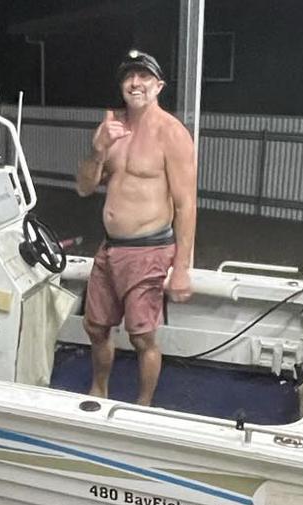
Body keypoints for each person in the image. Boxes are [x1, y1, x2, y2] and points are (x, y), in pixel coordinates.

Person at [76, 50, 197, 406]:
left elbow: (186, 204)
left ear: (158, 85)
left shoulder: (172, 133)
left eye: (144, 77)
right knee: (95, 328)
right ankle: (99, 390)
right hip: (110, 248)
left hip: (150, 251)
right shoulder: (112, 131)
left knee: (142, 337)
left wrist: (182, 270)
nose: (135, 83)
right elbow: (83, 188)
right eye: (129, 76)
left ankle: (143, 406)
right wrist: (98, 151)